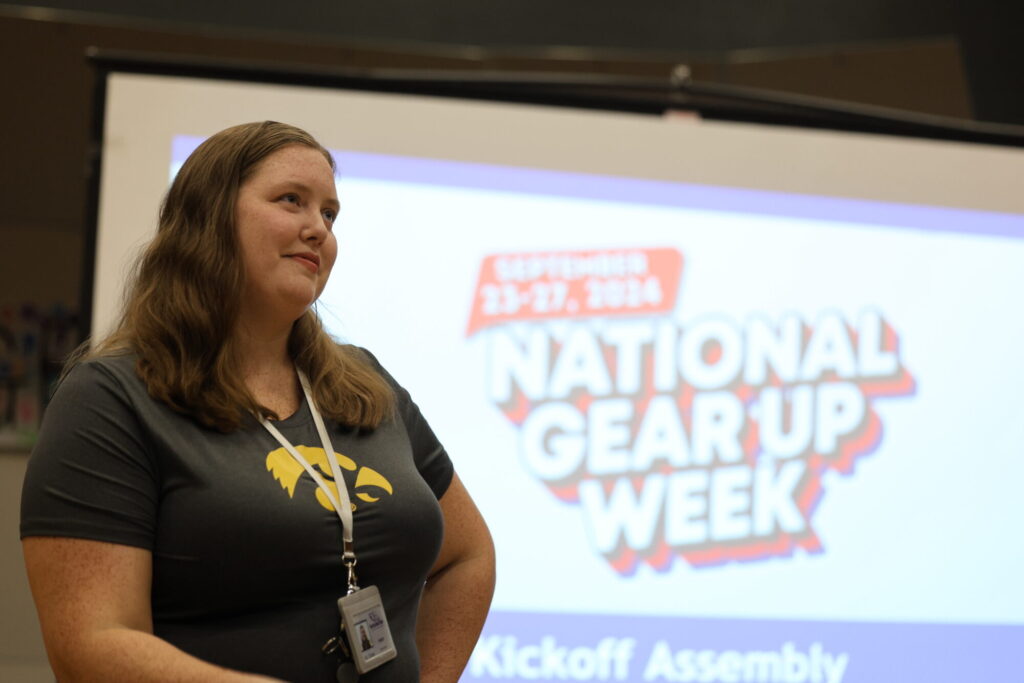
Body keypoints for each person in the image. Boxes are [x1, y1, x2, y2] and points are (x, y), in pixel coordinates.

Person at [20, 121, 495, 682]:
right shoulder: (110, 399)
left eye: (330, 214)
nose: (318, 228)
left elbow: (469, 557)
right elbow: (92, 647)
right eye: (291, 200)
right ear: (210, 217)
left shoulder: (367, 386)